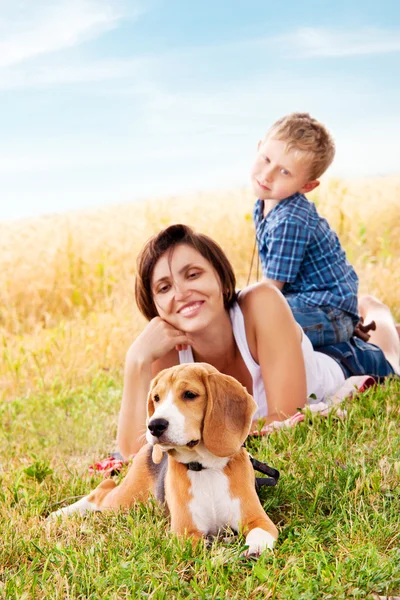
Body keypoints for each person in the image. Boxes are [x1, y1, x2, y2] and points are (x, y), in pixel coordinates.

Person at [117, 224, 399, 459]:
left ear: (223, 280)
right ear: (155, 307)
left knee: (391, 354)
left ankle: (375, 311)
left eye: (193, 274)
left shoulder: (261, 301)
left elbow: (285, 416)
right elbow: (135, 456)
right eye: (164, 287)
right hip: (291, 348)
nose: (181, 293)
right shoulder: (166, 356)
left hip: (344, 364)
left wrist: (198, 441)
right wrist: (137, 360)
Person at [251, 112, 359, 347]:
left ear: (306, 186)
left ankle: (360, 357)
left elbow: (271, 292)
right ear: (259, 147)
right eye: (266, 159)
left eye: (284, 172)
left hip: (330, 313)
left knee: (252, 326)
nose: (267, 175)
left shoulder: (290, 220)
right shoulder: (263, 204)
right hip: (307, 302)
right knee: (246, 315)